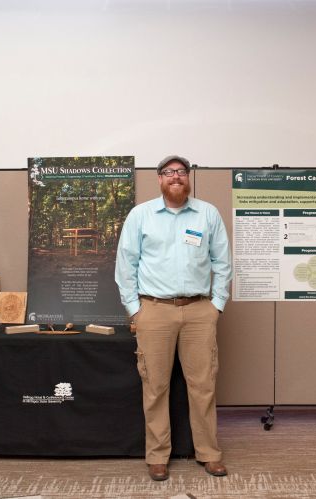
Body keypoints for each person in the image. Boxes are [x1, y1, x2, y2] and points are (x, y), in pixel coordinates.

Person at [115, 155, 232, 481]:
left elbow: (222, 261)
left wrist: (216, 304)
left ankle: (209, 454)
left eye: (181, 171)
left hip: (198, 311)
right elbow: (126, 264)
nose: (176, 176)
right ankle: (157, 456)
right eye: (169, 172)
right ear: (159, 179)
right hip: (154, 310)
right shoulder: (141, 216)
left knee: (203, 385)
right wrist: (135, 309)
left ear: (188, 177)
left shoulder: (208, 213)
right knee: (155, 386)